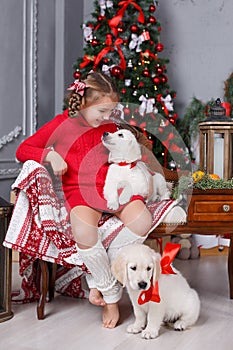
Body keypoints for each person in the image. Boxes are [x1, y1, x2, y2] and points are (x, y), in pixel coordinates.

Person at [16, 71, 153, 329]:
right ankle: (111, 297)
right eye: (102, 111)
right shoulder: (61, 124)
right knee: (85, 233)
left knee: (143, 220)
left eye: (111, 111)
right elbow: (23, 150)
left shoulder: (110, 127)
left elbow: (125, 157)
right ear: (84, 103)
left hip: (113, 189)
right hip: (80, 194)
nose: (107, 117)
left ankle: (100, 276)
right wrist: (50, 156)